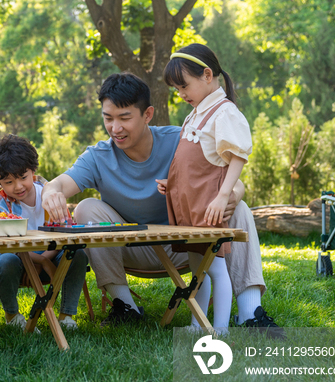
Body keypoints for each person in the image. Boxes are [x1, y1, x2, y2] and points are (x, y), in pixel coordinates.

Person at [41, 71, 283, 337]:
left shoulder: (181, 139)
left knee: (240, 208)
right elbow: (62, 183)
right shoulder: (98, 155)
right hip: (131, 247)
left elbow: (228, 177)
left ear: (147, 115)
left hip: (187, 244)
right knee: (86, 206)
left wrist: (234, 193)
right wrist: (51, 190)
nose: (115, 128)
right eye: (108, 118)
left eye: (124, 118)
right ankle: (125, 307)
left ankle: (251, 313)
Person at [155, 43, 252, 333]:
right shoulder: (195, 113)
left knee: (216, 268)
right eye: (176, 89)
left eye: (184, 86)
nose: (181, 94)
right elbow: (194, 163)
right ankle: (200, 323)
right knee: (199, 269)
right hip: (190, 207)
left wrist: (224, 196)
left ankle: (219, 328)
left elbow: (237, 156)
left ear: (207, 75)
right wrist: (172, 185)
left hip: (207, 208)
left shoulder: (224, 113)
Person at [0, 134, 88, 330]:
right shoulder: (1, 202)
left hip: (52, 260)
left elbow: (65, 235)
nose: (18, 186)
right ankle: (12, 316)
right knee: (6, 260)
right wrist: (38, 261)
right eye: (8, 182)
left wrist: (45, 258)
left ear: (33, 170)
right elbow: (4, 244)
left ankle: (66, 316)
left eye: (22, 177)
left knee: (77, 253)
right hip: (18, 261)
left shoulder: (49, 194)